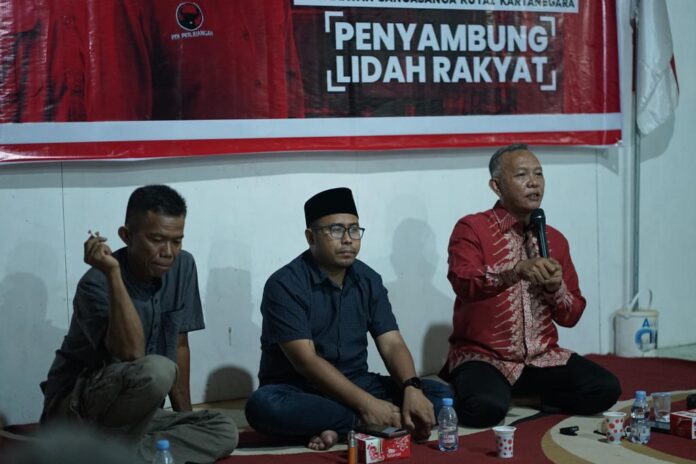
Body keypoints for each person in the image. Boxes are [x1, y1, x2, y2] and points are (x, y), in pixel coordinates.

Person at [40, 185, 237, 462]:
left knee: (222, 429)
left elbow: (179, 345)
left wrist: (184, 418)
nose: (168, 252)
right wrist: (113, 274)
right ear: (126, 236)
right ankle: (95, 449)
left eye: (177, 241)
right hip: (76, 409)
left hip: (134, 417)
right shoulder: (96, 282)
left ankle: (103, 455)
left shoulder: (182, 266)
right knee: (157, 370)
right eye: (156, 240)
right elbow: (131, 353)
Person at [245, 187, 452, 449]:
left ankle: (337, 426)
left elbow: (391, 343)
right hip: (300, 389)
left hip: (357, 382)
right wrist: (368, 406)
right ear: (311, 237)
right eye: (336, 230)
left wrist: (412, 388)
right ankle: (363, 420)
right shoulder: (285, 284)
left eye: (354, 230)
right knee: (263, 405)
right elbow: (307, 361)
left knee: (439, 394)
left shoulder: (369, 279)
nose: (347, 240)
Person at [442, 144, 621, 427]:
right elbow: (463, 282)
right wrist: (514, 272)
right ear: (496, 186)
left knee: (606, 389)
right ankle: (497, 394)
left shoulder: (555, 239)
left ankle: (522, 398)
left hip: (541, 358)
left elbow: (572, 316)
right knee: (483, 409)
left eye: (538, 174)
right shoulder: (472, 228)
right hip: (486, 357)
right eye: (522, 175)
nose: (533, 182)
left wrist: (555, 288)